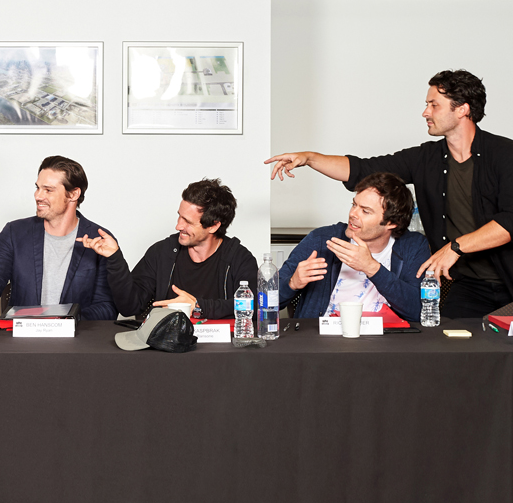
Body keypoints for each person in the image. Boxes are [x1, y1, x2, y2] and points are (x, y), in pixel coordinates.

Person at [266, 69, 513, 318]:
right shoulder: (426, 158)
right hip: (469, 283)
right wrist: (309, 158)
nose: (425, 112)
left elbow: (510, 220)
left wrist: (455, 247)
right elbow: (362, 169)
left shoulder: (504, 154)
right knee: (448, 338)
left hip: (509, 277)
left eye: (434, 105)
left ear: (462, 109)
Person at [0, 156, 117, 330]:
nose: (38, 196)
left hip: (77, 340)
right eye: (38, 188)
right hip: (21, 339)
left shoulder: (100, 240)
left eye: (48, 190)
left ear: (74, 194)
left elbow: (106, 307)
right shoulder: (14, 232)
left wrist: (63, 322)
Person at [79, 178, 257, 320]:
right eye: (179, 216)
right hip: (166, 348)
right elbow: (129, 307)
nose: (178, 226)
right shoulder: (162, 252)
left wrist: (198, 306)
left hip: (221, 349)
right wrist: (114, 258)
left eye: (187, 221)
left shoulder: (239, 258)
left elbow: (254, 307)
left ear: (213, 226)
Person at [278, 172, 431, 320]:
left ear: (392, 223)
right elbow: (268, 300)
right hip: (323, 334)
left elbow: (419, 311)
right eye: (354, 205)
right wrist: (292, 283)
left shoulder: (413, 246)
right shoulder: (321, 239)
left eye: (365, 211)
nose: (353, 214)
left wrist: (371, 268)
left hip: (385, 336)